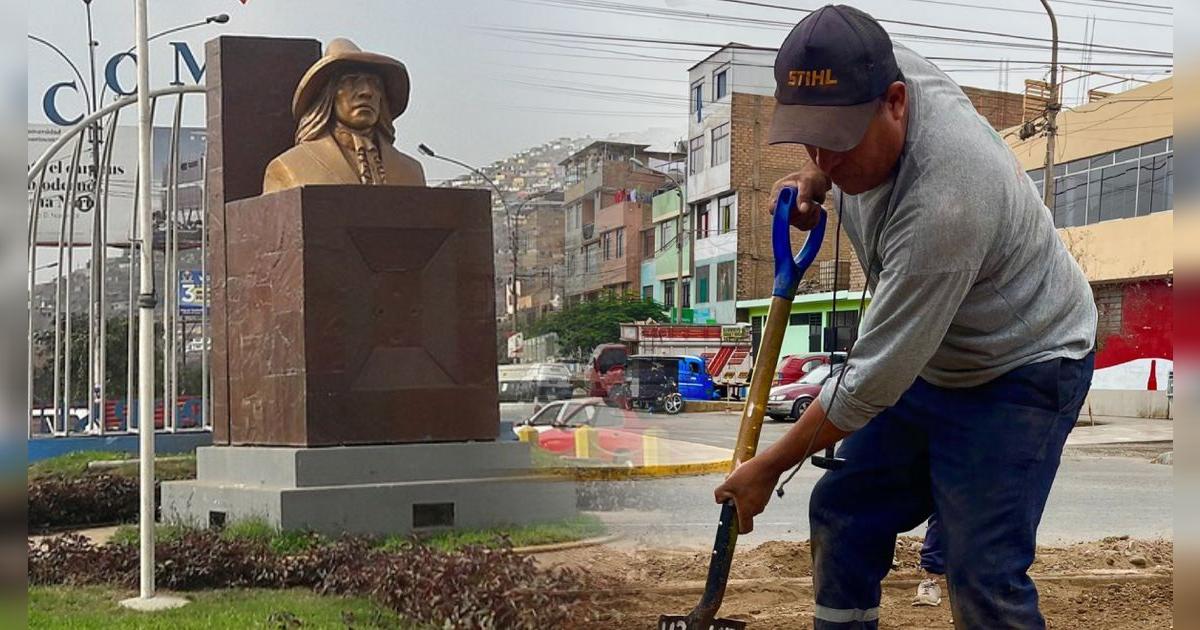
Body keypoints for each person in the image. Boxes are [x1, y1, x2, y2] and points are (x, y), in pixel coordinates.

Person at [713, 5, 1096, 629]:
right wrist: (814, 180)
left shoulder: (946, 204)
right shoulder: (869, 72)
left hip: (1023, 363)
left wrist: (766, 469)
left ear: (895, 102)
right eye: (812, 138)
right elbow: (832, 140)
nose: (827, 158)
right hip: (936, 356)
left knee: (980, 566)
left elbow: (870, 383)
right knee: (843, 507)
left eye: (839, 143)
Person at [263, 38, 425, 193]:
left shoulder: (411, 171)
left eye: (374, 84)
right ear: (328, 97)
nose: (366, 92)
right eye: (351, 81)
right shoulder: (289, 167)